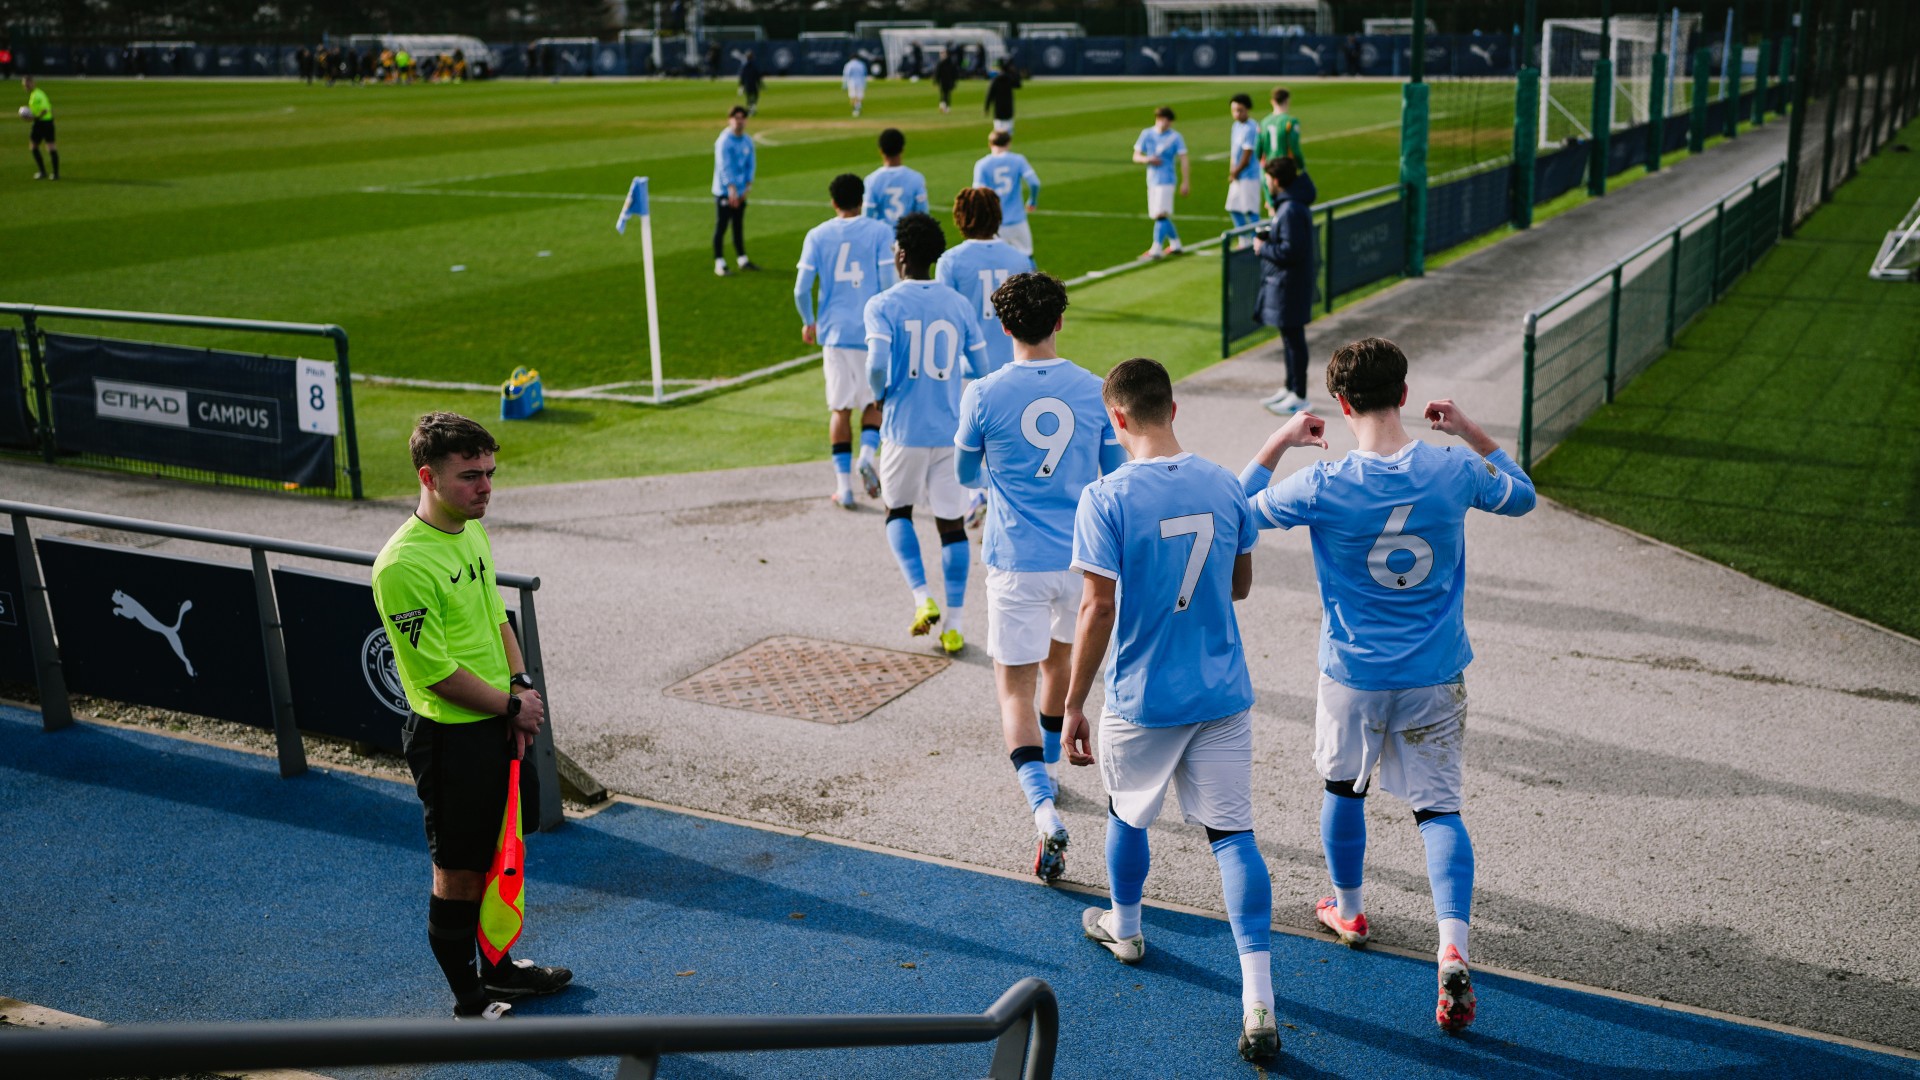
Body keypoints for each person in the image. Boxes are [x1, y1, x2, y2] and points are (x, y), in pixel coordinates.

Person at [1237, 337, 1536, 1035]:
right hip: (1435, 672)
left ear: (1341, 406)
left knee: (1344, 790)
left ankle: (1348, 907)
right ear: (1406, 395)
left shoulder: (1323, 484)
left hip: (1353, 673)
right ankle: (1452, 945)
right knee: (1439, 811)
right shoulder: (1453, 469)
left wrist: (1282, 437)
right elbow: (1522, 498)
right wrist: (1470, 431)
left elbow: (1236, 510)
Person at [1063, 358, 1280, 1065]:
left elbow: (1097, 608)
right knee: (1232, 837)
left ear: (1116, 418)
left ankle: (1125, 928)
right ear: (1173, 408)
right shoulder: (1223, 483)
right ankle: (1259, 1000)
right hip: (1221, 692)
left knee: (1128, 814)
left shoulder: (1104, 497)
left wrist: (1072, 703)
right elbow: (1240, 586)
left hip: (1144, 697)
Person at [372, 412, 574, 1021]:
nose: (486, 488)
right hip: (450, 741)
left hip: (495, 724)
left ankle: (500, 968)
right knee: (458, 870)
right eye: (470, 476)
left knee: (500, 852)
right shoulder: (403, 565)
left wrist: (520, 686)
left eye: (490, 473)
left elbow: (495, 616)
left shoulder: (470, 531)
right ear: (428, 477)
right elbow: (435, 674)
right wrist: (512, 706)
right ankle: (469, 1000)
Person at [953, 271, 1123, 884]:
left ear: (1003, 328)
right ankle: (1049, 768)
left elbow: (966, 473)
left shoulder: (983, 393)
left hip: (1014, 558)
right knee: (1057, 667)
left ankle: (1043, 806)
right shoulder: (1093, 388)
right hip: (1080, 559)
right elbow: (1111, 474)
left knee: (1012, 690)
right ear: (1059, 322)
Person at [865, 213, 988, 654]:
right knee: (952, 527)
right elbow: (981, 370)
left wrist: (881, 394)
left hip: (904, 429)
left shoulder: (882, 304)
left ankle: (922, 600)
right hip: (948, 428)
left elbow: (877, 364)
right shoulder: (958, 305)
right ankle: (954, 626)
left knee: (897, 513)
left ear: (900, 255)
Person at [796, 173, 894, 509]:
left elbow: (800, 288)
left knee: (839, 408)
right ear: (862, 199)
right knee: (873, 403)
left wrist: (809, 321)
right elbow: (887, 280)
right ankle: (867, 455)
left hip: (835, 333)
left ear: (833, 202)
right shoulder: (881, 231)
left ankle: (844, 488)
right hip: (871, 331)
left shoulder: (817, 234)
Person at [935, 187, 1035, 381]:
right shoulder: (1020, 260)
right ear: (997, 215)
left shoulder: (950, 261)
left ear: (961, 217)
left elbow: (944, 321)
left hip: (966, 371)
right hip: (1012, 370)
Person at [1256, 157, 1318, 415]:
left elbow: (1292, 250)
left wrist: (1263, 247)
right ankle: (1290, 387)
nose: (1267, 184)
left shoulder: (1291, 209)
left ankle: (1299, 395)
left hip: (1290, 286)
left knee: (1294, 340)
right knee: (1289, 338)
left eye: (1269, 180)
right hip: (1288, 284)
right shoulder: (1289, 207)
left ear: (1277, 181)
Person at [971, 130, 1041, 258]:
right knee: (1027, 257)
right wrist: (1032, 200)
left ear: (990, 144)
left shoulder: (982, 165)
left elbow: (978, 194)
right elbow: (1035, 183)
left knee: (999, 261)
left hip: (995, 223)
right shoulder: (1018, 160)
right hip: (1018, 220)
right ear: (1008, 143)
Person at [1132, 106, 1190, 260]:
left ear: (1170, 122)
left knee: (1160, 214)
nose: (1163, 123)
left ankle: (1156, 249)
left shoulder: (1175, 137)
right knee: (1159, 214)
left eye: (1166, 120)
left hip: (1167, 180)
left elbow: (1184, 159)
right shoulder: (1147, 134)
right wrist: (1147, 159)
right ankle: (1176, 244)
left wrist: (1185, 181)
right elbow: (1136, 156)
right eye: (1160, 119)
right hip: (1152, 180)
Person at [711, 105, 758, 277]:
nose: (739, 121)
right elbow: (724, 166)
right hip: (725, 192)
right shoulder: (724, 141)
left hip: (740, 191)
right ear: (729, 120)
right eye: (736, 118)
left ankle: (742, 259)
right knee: (722, 225)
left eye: (742, 118)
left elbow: (750, 164)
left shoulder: (747, 141)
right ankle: (719, 262)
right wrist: (731, 189)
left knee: (738, 226)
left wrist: (747, 186)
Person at [863, 128, 929, 227]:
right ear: (902, 149)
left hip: (883, 240)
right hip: (908, 239)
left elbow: (867, 216)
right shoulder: (917, 179)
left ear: (881, 151)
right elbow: (923, 216)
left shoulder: (871, 180)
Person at [1256, 87, 1306, 212]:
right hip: (1285, 169)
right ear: (1287, 101)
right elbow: (1294, 147)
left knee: (1272, 208)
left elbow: (1257, 149)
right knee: (1287, 205)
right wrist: (1301, 165)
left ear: (1272, 101)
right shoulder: (1290, 122)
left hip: (1269, 170)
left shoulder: (1263, 122)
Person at [1226, 93, 1262, 241]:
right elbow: (1235, 151)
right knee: (1233, 208)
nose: (1237, 113)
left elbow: (1248, 154)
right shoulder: (1236, 126)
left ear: (1247, 109)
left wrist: (1235, 171)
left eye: (1240, 110)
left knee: (1251, 210)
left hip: (1249, 175)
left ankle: (1257, 241)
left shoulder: (1251, 128)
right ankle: (1244, 239)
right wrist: (1232, 169)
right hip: (1238, 174)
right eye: (1234, 110)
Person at [22, 76, 57, 181]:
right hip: (44, 122)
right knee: (35, 146)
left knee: (48, 147)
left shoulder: (38, 95)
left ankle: (50, 173)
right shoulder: (34, 94)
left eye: (27, 84)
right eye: (24, 85)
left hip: (43, 123)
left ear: (33, 83)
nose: (26, 87)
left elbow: (45, 110)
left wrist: (34, 117)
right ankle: (48, 173)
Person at [984, 57, 1020, 134]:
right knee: (1008, 135)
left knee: (998, 135)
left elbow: (989, 95)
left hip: (998, 111)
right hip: (1008, 110)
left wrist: (986, 108)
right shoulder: (1009, 79)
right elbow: (1018, 84)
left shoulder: (995, 80)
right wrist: (1014, 71)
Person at [737, 50, 763, 116]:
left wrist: (741, 85)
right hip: (753, 84)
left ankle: (750, 109)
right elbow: (758, 76)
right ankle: (751, 109)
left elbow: (742, 76)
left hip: (747, 84)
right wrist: (760, 84)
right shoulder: (753, 65)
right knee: (754, 97)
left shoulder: (744, 66)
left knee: (749, 97)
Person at [842, 53, 868, 118]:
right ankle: (857, 108)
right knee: (859, 96)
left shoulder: (848, 65)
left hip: (852, 82)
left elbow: (846, 75)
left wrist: (844, 84)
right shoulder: (861, 64)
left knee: (853, 96)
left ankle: (855, 109)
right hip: (860, 82)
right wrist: (865, 83)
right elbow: (864, 74)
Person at [933, 48, 958, 113]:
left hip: (948, 81)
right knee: (943, 94)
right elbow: (937, 73)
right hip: (943, 81)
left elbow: (954, 73)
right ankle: (943, 107)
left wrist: (954, 81)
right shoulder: (941, 63)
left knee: (947, 94)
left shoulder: (949, 62)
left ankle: (946, 107)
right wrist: (936, 81)